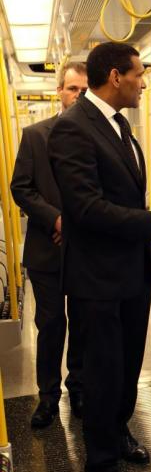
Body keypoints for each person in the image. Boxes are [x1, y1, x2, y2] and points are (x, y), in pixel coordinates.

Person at [48, 42, 151, 472]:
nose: (144, 82)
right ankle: (100, 466)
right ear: (114, 76)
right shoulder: (72, 129)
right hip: (97, 280)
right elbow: (84, 208)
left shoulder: (120, 125)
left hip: (130, 273)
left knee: (126, 367)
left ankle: (119, 431)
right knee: (102, 373)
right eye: (138, 74)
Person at [11, 61, 87, 429]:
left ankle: (79, 387)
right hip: (46, 251)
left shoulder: (97, 137)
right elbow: (20, 188)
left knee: (85, 324)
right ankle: (47, 397)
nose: (78, 95)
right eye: (72, 88)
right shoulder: (35, 135)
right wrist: (56, 219)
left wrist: (73, 226)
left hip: (86, 251)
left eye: (85, 89)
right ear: (59, 91)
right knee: (52, 323)